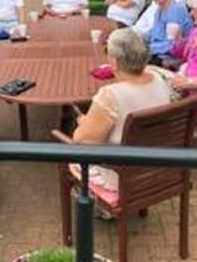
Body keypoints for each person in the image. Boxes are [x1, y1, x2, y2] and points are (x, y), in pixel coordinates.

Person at [69, 28, 175, 192]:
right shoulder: (160, 78)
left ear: (115, 60)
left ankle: (95, 203)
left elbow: (83, 141)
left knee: (73, 152)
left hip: (120, 174)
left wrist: (83, 122)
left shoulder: (111, 95)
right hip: (156, 164)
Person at [144, 0, 193, 65]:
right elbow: (154, 32)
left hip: (171, 56)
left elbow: (172, 43)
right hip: (157, 51)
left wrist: (147, 48)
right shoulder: (159, 9)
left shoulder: (175, 10)